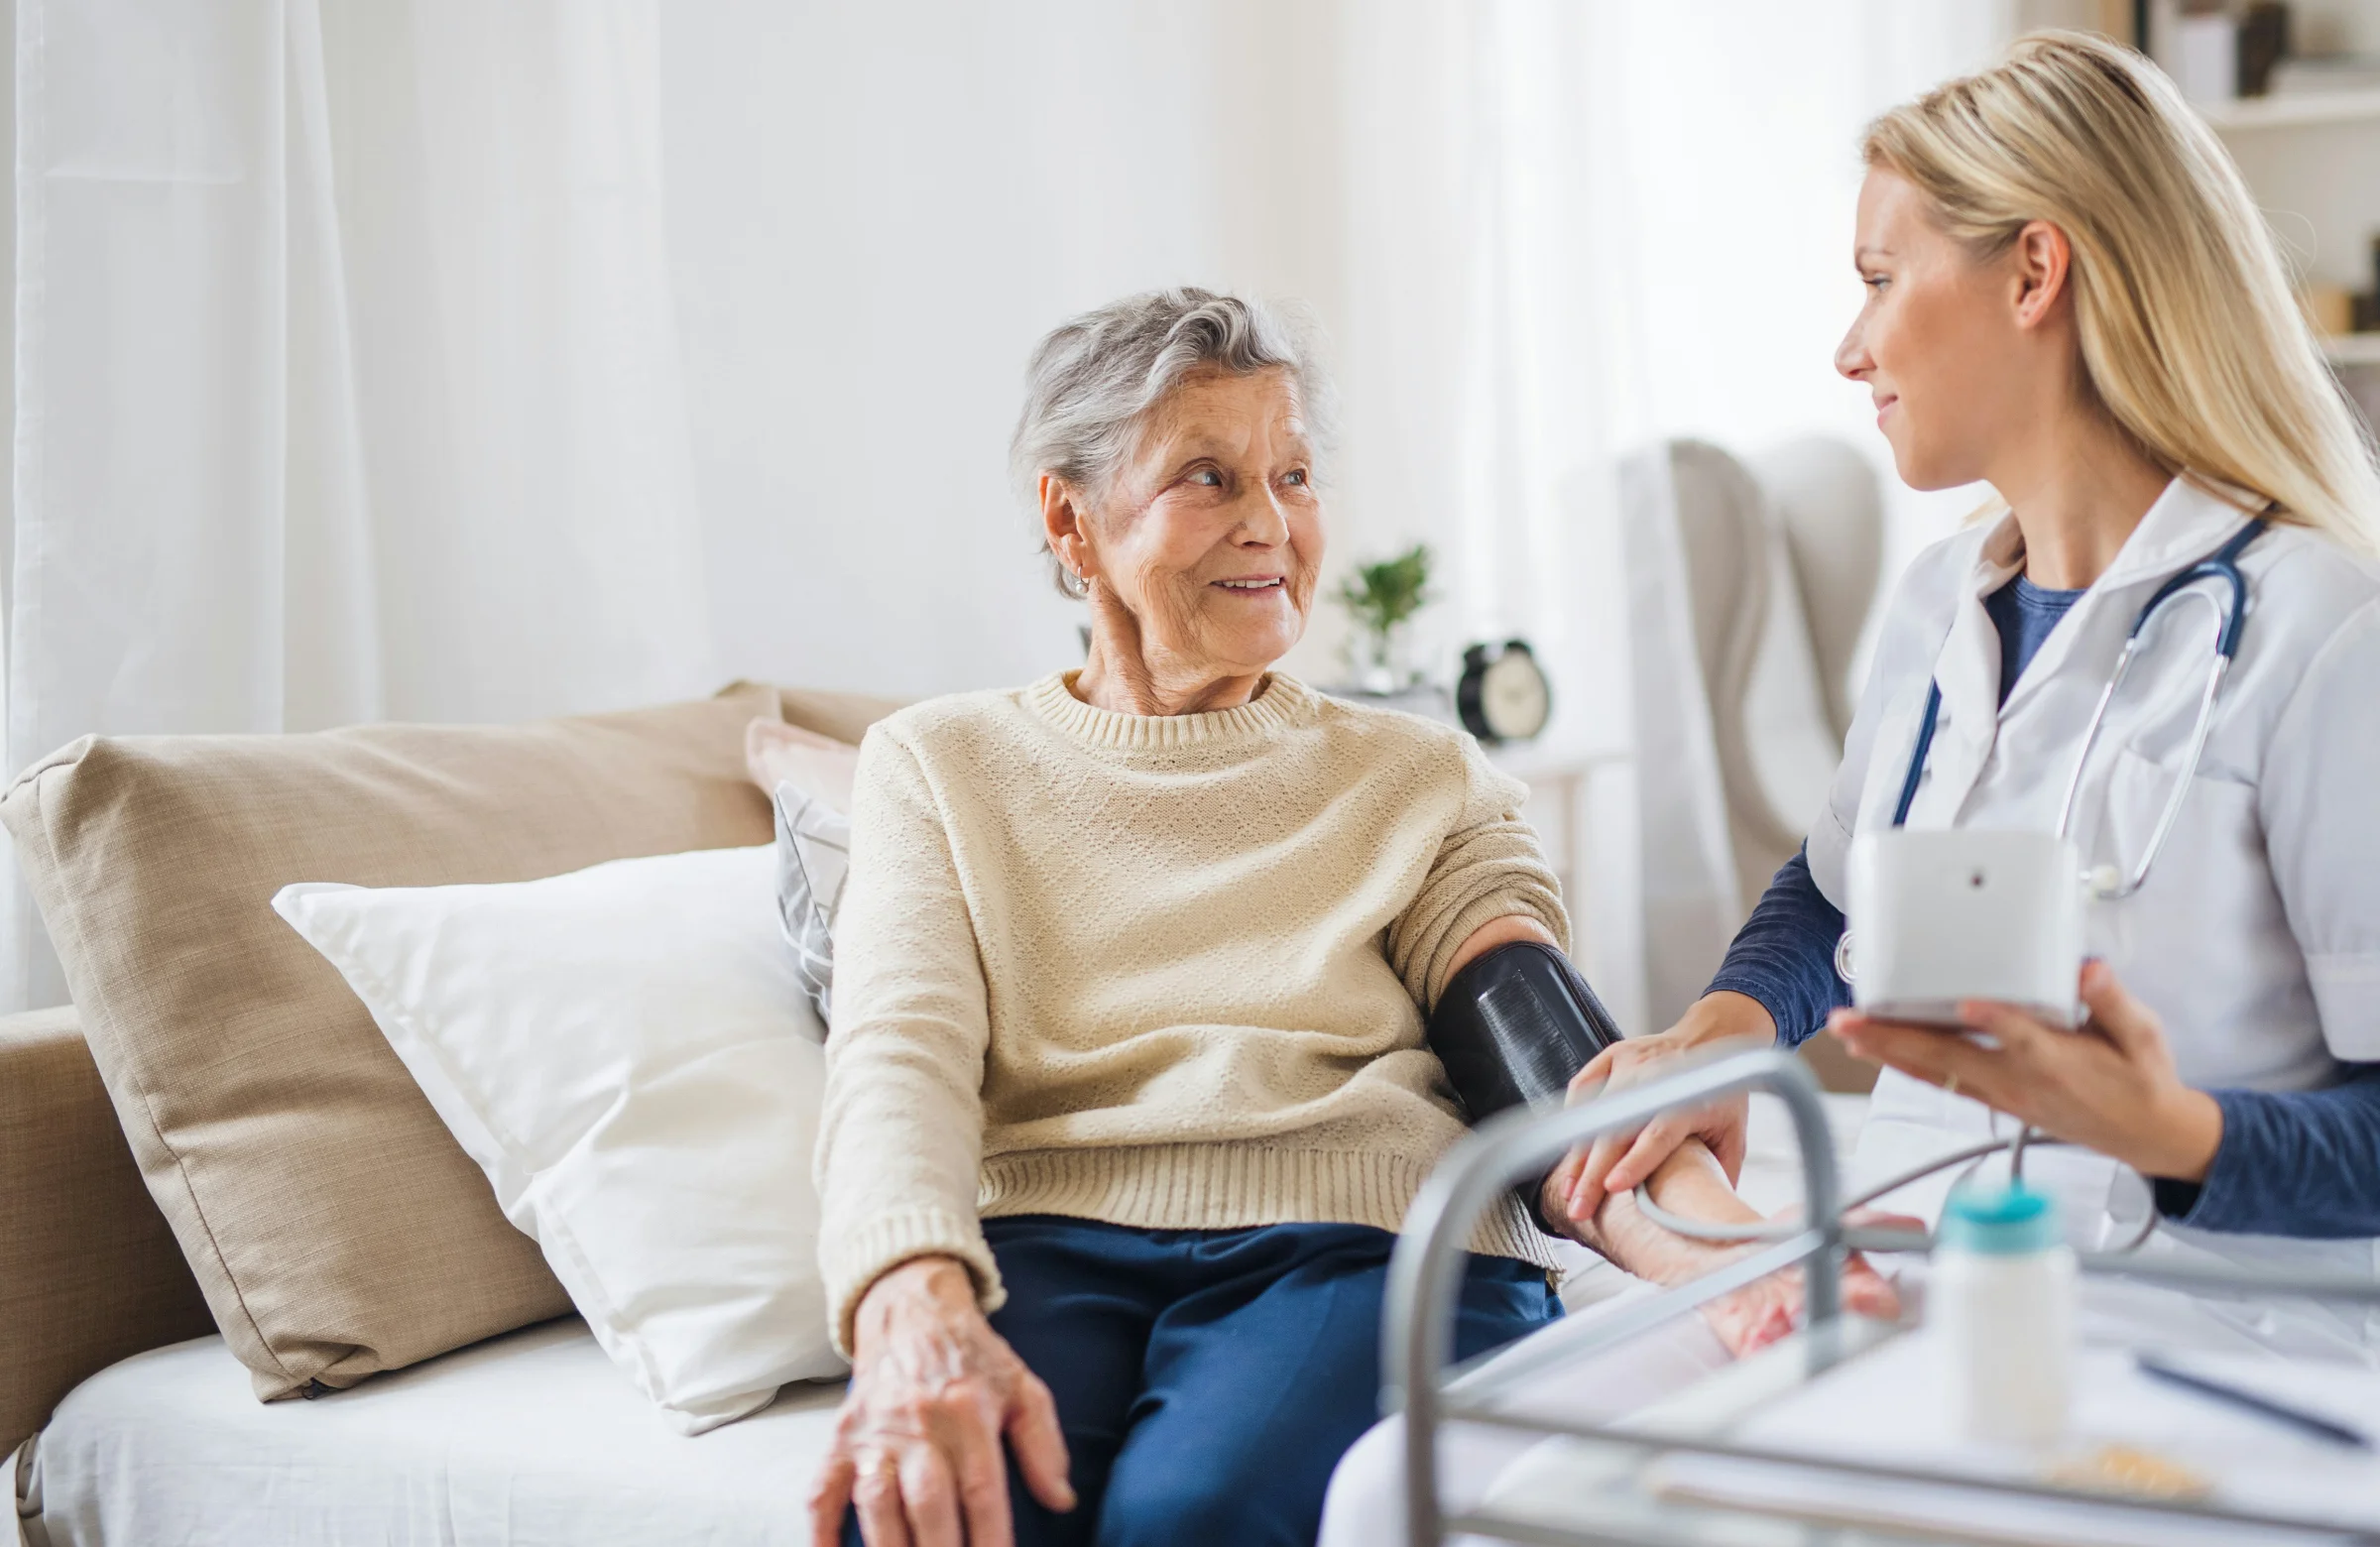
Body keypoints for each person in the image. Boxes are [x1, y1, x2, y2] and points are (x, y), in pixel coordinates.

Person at [803, 287, 1892, 1547]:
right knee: (930, 1509)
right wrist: (907, 1299)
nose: (1271, 525)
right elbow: (898, 1050)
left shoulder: (1417, 775)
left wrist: (1735, 1263)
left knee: (1193, 1518)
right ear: (1072, 520)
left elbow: (1537, 1047)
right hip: (1050, 1243)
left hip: (1360, 1242)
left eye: (1296, 474)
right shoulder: (939, 763)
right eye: (1208, 479)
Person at [1545, 31, 2380, 1358]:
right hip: (1921, 1279)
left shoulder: (2321, 635)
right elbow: (1836, 889)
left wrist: (2174, 1136)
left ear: (2034, 272)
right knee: (1417, 1483)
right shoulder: (1944, 602)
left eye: (1880, 279)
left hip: (2216, 1333)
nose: (1849, 347)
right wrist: (1724, 1029)